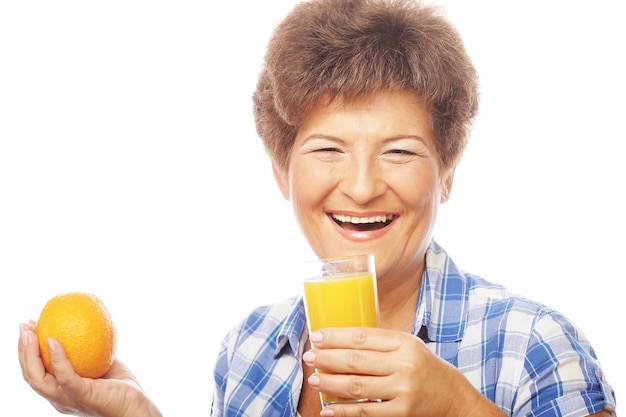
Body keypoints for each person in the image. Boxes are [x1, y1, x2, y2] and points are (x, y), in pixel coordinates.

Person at [18, 0, 616, 416]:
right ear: (282, 171)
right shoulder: (248, 351)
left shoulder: (532, 344)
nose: (360, 187)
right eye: (327, 149)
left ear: (448, 174)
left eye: (400, 151)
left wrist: (459, 408)